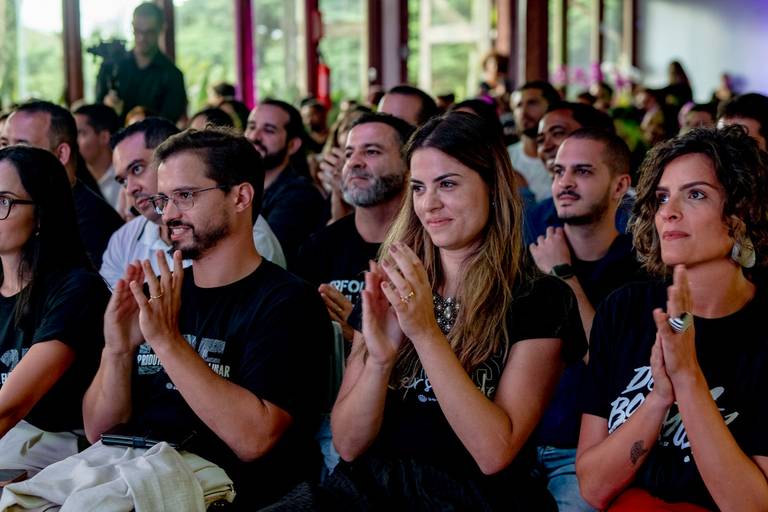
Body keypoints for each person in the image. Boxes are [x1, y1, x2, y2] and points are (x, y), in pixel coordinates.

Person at [275, 112, 585, 510]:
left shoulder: (540, 298)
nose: (429, 204)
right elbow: (348, 445)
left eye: (448, 184)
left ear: (492, 186)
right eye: (419, 188)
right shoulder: (394, 281)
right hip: (366, 491)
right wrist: (379, 362)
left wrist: (424, 333)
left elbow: (494, 452)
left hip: (471, 499)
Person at [81, 128, 332, 509]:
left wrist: (168, 343)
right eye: (164, 199)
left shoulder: (288, 302)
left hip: (228, 492)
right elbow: (98, 431)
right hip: (128, 473)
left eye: (185, 196)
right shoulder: (157, 295)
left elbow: (254, 441)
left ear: (241, 197)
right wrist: (117, 350)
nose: (168, 214)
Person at [576, 125, 768, 511]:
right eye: (663, 197)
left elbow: (750, 505)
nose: (669, 212)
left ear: (742, 213)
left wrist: (688, 379)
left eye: (695, 194)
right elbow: (593, 488)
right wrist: (660, 396)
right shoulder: (624, 310)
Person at [528, 129, 644, 511]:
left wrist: (562, 275)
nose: (565, 183)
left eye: (582, 171)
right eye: (559, 172)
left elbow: (615, 371)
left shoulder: (640, 271)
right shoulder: (529, 257)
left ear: (620, 186)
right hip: (517, 444)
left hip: (584, 455)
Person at [0, 146, 109, 474]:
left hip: (60, 450)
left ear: (41, 214)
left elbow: (12, 406)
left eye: (3, 201)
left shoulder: (78, 290)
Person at [100, 118, 285, 289]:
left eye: (137, 169)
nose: (130, 189)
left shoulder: (245, 237)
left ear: (241, 198)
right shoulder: (122, 240)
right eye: (123, 181)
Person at [296, 113, 414, 342]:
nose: (354, 162)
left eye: (372, 152)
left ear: (407, 166)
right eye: (349, 153)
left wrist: (359, 334)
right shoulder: (318, 248)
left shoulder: (427, 248)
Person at [4, 101, 124, 268]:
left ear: (61, 154)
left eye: (21, 147)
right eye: (4, 144)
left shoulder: (93, 224)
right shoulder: (31, 205)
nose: (7, 158)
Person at [245, 99, 328, 267]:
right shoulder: (242, 186)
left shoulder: (300, 194)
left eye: (269, 130)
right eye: (252, 127)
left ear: (293, 145)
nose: (255, 136)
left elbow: (263, 255)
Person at [95, 2, 187, 124]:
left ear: (161, 28)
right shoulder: (111, 67)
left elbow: (168, 125)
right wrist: (106, 109)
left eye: (149, 32)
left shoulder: (173, 76)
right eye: (137, 31)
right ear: (132, 26)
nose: (142, 38)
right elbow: (96, 116)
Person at [508, 80, 561, 202]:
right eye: (518, 105)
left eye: (532, 103)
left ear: (551, 107)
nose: (523, 112)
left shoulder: (564, 160)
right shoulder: (505, 159)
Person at [73, 103, 122, 210]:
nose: (72, 141)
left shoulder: (125, 180)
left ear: (104, 137)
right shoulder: (74, 179)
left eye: (80, 133)